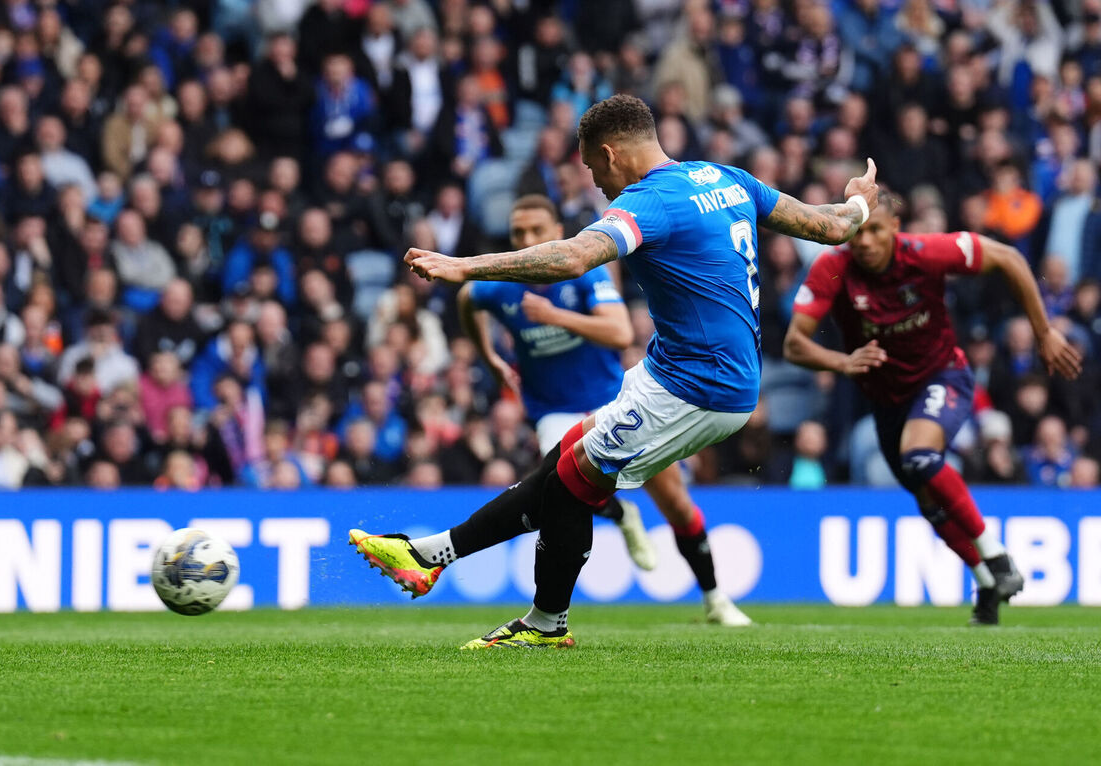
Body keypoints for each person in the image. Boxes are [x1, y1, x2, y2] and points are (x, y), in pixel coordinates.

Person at [351, 94, 878, 649]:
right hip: (672, 370)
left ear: (610, 153)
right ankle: (427, 555)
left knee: (573, 485)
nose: (596, 182)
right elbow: (832, 227)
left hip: (700, 386)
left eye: (592, 167)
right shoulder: (728, 178)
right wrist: (860, 205)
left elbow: (573, 259)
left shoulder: (649, 202)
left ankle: (545, 623)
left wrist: (465, 265)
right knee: (561, 464)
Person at [782, 191, 1083, 626]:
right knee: (928, 501)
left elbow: (1009, 258)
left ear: (896, 229)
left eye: (875, 231)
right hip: (886, 400)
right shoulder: (833, 268)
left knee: (919, 457)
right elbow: (794, 342)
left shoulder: (926, 253)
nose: (865, 242)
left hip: (942, 376)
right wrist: (841, 362)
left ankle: (997, 557)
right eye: (857, 234)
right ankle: (985, 582)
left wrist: (1044, 333)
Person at [458, 193, 751, 626]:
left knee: (675, 502)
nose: (527, 239)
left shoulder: (583, 275)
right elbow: (466, 299)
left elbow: (617, 332)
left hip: (615, 403)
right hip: (553, 410)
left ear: (558, 233)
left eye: (537, 230)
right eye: (519, 233)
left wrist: (556, 317)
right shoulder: (501, 284)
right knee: (561, 480)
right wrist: (490, 359)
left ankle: (715, 598)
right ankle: (616, 514)